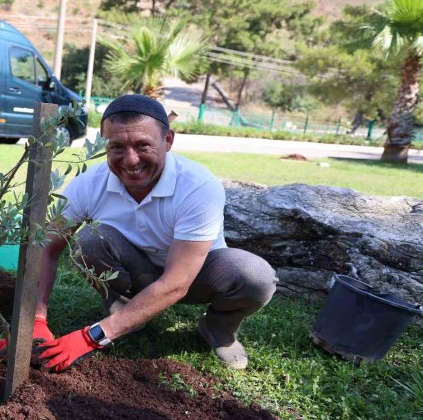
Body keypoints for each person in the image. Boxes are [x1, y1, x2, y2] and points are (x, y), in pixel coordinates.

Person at [27, 94, 277, 371]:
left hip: (195, 277)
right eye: (117, 146)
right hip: (134, 269)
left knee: (255, 276)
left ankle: (217, 328)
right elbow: (46, 247)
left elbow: (177, 283)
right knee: (90, 239)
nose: (130, 160)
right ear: (103, 143)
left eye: (143, 145)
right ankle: (123, 312)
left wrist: (91, 337)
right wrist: (36, 319)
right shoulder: (89, 184)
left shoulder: (197, 186)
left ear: (168, 140)